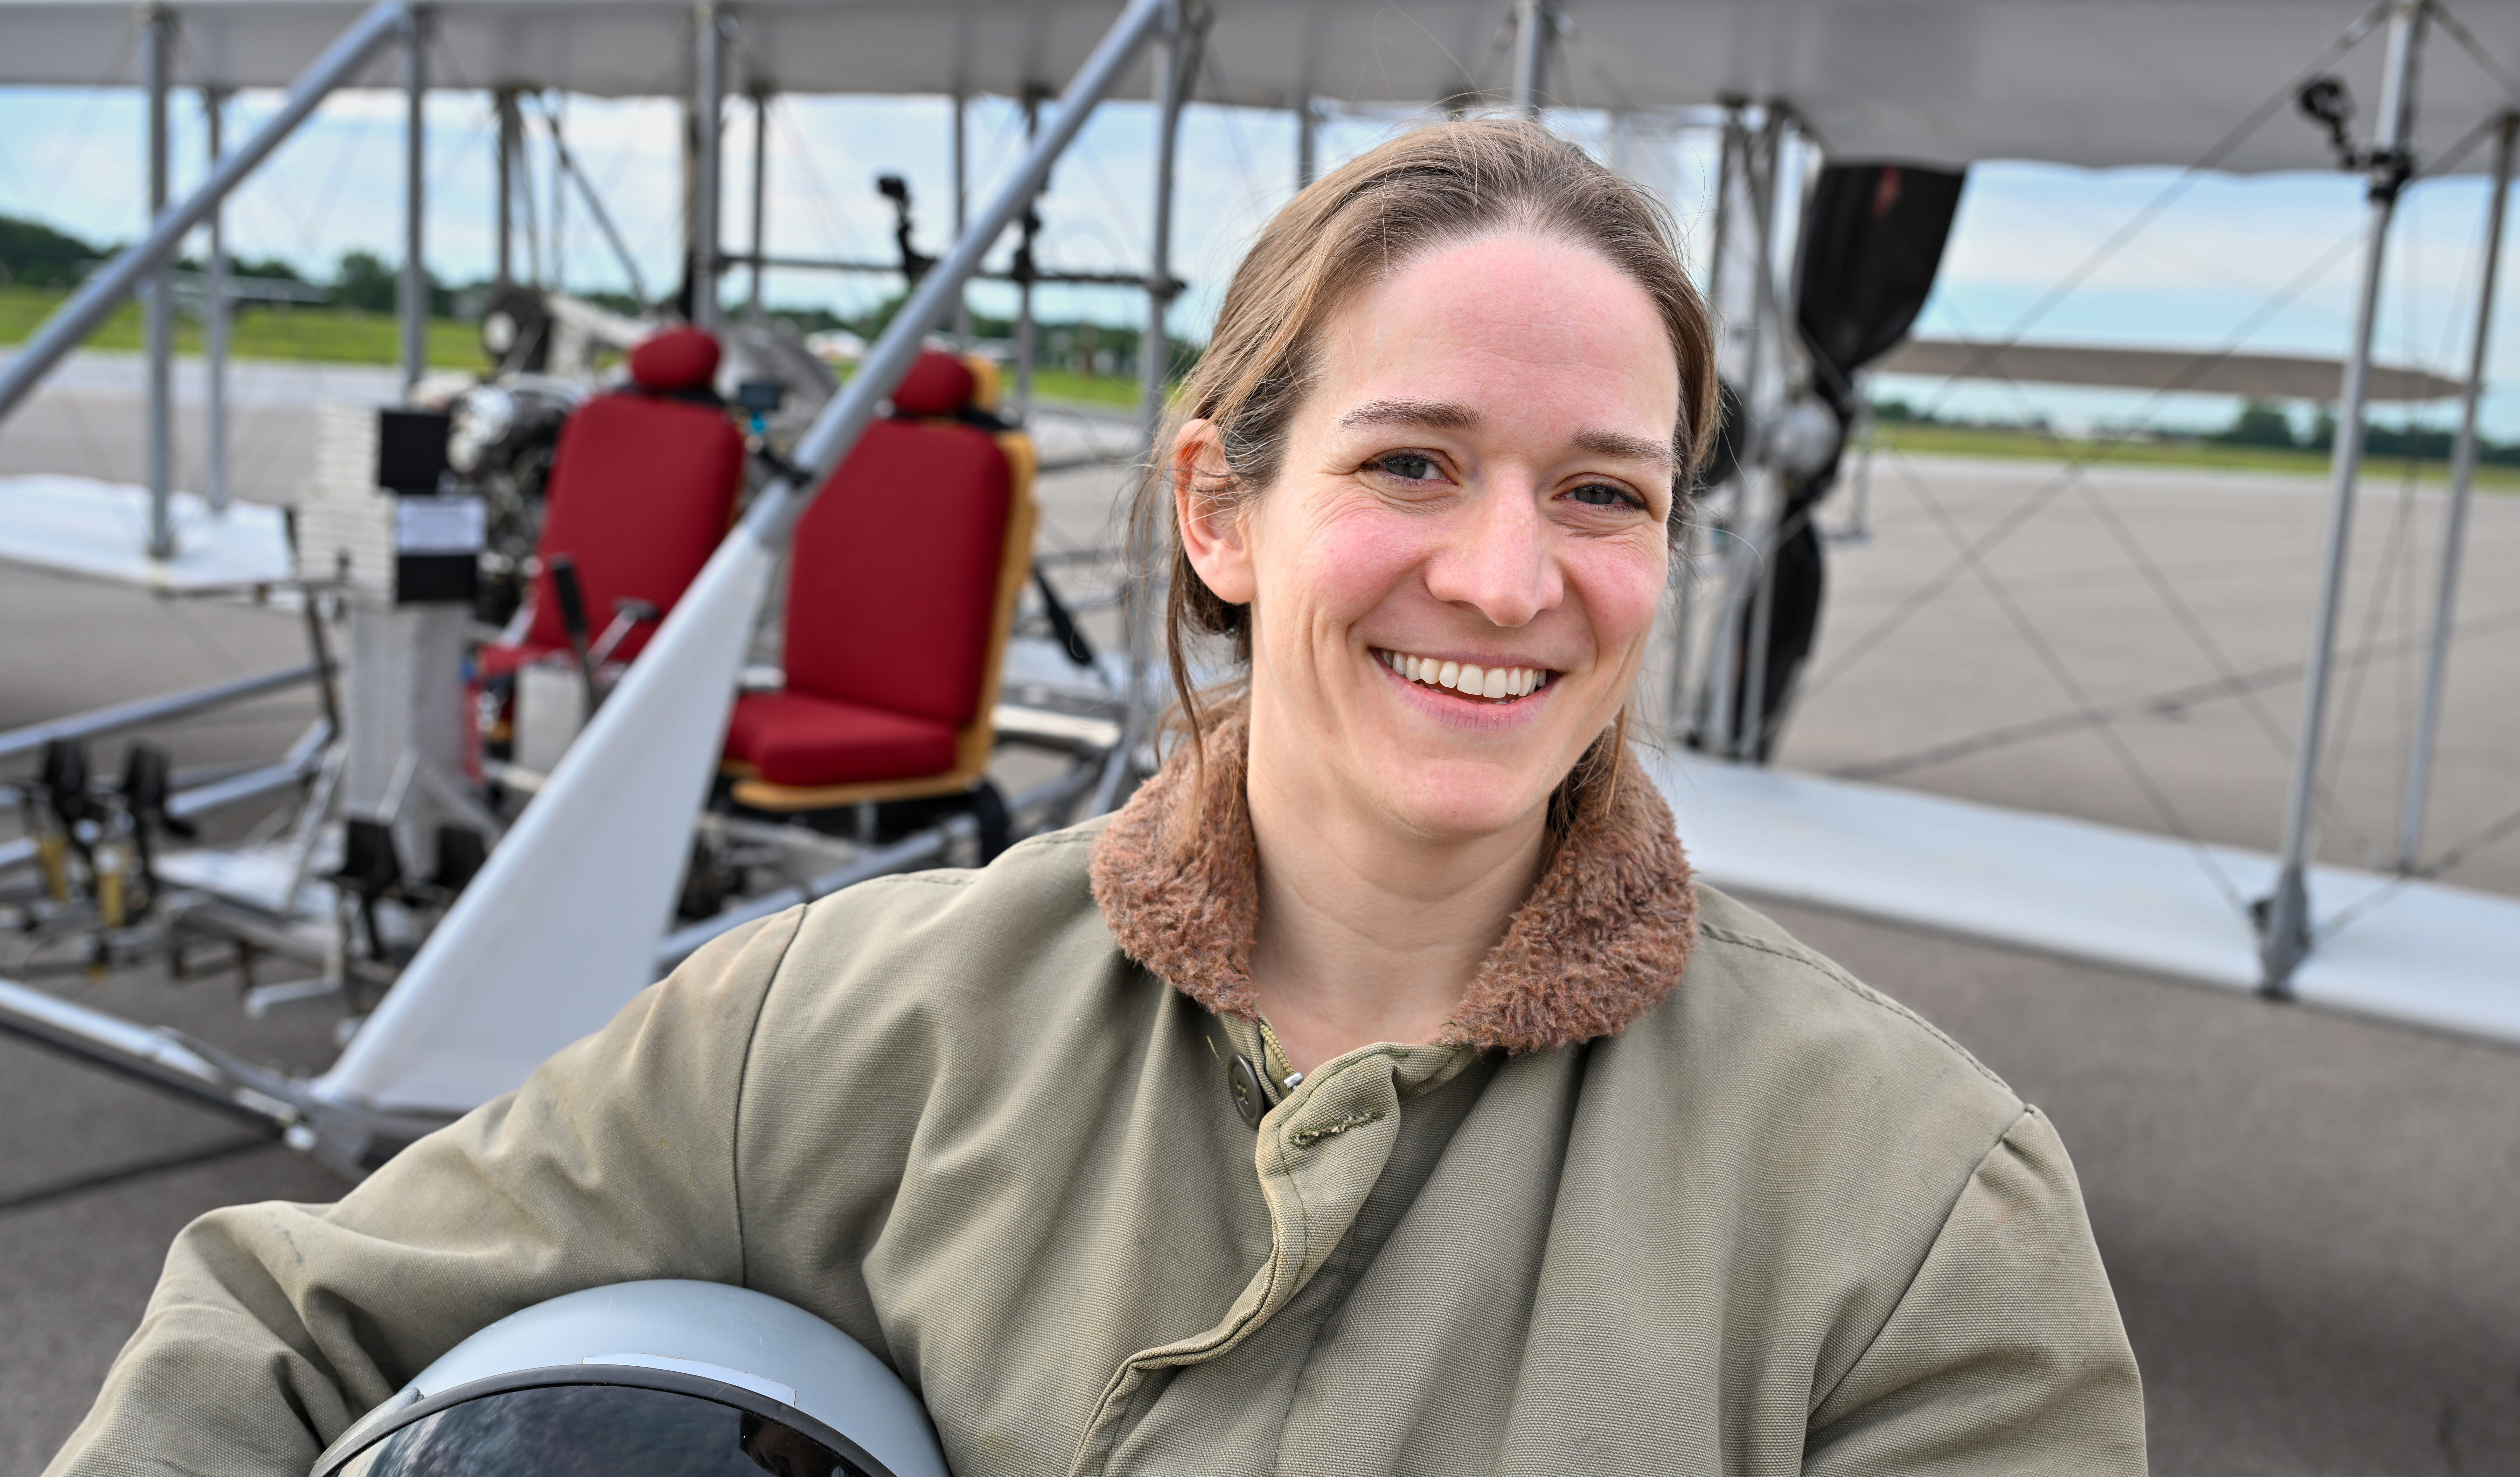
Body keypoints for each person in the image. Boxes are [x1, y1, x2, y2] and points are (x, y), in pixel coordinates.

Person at [49, 118, 2144, 1477]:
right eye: (1412, 462)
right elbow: (278, 1320)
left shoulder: (1918, 1216)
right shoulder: (830, 1024)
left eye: (1604, 492)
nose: (1511, 580)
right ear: (1219, 511)